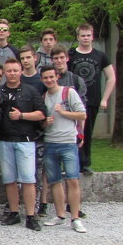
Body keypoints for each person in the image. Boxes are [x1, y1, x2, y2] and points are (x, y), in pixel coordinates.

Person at [0, 58, 47, 230]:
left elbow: (42, 114)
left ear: (21, 71)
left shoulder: (30, 91)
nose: (12, 74)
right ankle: (14, 213)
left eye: (15, 70)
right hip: (4, 140)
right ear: (4, 73)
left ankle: (31, 216)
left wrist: (22, 116)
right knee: (9, 179)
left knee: (28, 179)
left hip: (25, 141)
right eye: (9, 71)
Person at [40, 65, 87, 233]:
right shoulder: (43, 97)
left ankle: (75, 217)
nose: (49, 80)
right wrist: (46, 122)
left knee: (73, 180)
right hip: (50, 142)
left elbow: (82, 114)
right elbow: (41, 125)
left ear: (57, 77)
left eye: (51, 77)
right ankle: (60, 215)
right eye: (46, 78)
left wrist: (64, 112)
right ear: (42, 79)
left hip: (68, 142)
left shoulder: (69, 93)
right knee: (54, 181)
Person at [69, 23, 115, 175]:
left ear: (92, 36)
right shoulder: (71, 55)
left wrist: (104, 99)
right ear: (78, 37)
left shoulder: (100, 56)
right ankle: (72, 164)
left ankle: (85, 163)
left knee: (87, 133)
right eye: (83, 35)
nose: (86, 38)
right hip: (73, 101)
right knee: (72, 133)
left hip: (92, 100)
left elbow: (111, 78)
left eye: (88, 35)